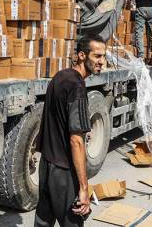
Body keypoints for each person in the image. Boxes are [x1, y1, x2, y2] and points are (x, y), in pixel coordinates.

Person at [35, 34, 106, 227]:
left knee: (43, 222)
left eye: (103, 56)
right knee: (73, 222)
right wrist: (84, 188)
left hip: (46, 164)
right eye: (97, 56)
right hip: (63, 171)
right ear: (82, 55)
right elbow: (76, 140)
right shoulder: (77, 87)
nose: (102, 62)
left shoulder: (60, 76)